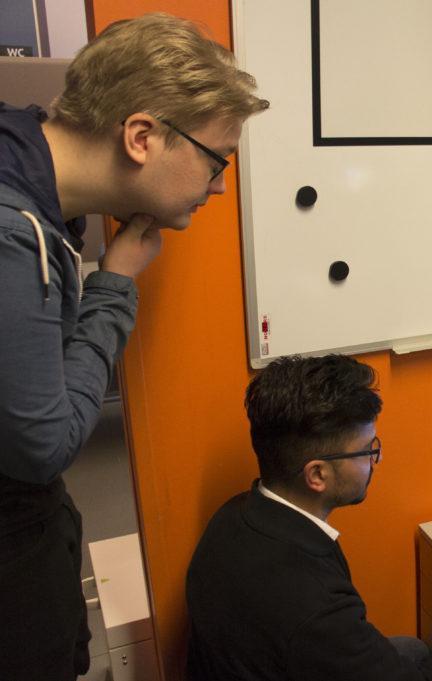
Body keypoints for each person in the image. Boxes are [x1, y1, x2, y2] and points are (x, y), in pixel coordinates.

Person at [0, 13, 268, 681]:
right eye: (215, 160)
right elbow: (45, 443)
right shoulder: (11, 235)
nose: (219, 186)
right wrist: (114, 285)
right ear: (142, 136)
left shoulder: (40, 191)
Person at [186, 355, 432, 680]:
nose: (375, 460)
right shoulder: (315, 611)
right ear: (317, 474)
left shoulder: (234, 516)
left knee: (412, 649)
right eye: (367, 451)